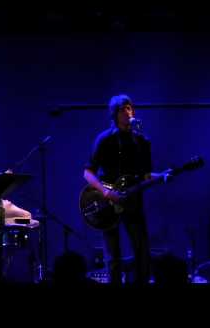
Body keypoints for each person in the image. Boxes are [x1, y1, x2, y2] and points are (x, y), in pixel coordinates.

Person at [83, 94, 171, 285]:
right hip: (108, 202)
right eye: (123, 108)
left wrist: (162, 176)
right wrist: (107, 193)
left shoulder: (142, 141)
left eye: (130, 107)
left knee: (142, 252)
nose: (128, 111)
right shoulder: (104, 139)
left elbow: (146, 177)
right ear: (114, 114)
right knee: (113, 257)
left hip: (133, 202)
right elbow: (88, 173)